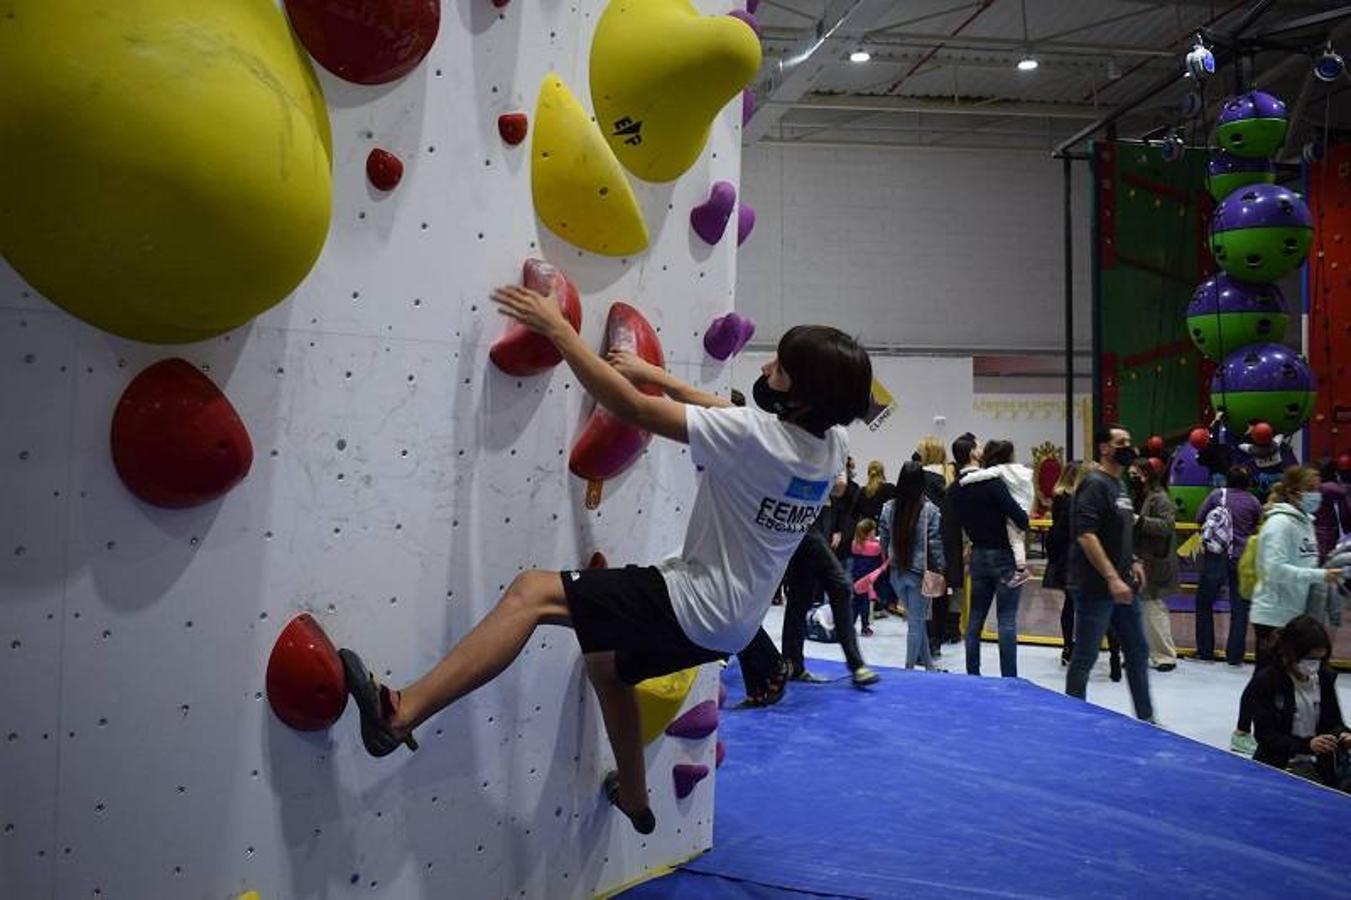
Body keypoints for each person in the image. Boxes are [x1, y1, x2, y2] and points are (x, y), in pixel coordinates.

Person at [337, 283, 875, 836]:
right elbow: (719, 411)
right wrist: (655, 372)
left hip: (695, 603)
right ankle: (636, 797)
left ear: (804, 395)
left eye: (780, 370)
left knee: (531, 593)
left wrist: (559, 330)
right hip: (733, 626)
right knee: (605, 663)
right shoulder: (827, 449)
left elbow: (631, 409)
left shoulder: (754, 437)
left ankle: (398, 713)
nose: (767, 371)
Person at [1232, 466, 1343, 754]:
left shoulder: (1305, 521)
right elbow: (1274, 569)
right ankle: (1243, 730)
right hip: (1273, 614)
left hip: (1294, 612)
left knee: (1275, 676)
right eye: (1312, 488)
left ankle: (1261, 729)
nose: (1317, 494)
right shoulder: (1280, 524)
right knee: (1265, 677)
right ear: (1295, 492)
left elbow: (1303, 563)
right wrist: (1319, 576)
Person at [1064, 424, 1154, 722]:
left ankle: (1146, 718)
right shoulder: (1094, 484)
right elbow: (1087, 535)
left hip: (1124, 585)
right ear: (1104, 448)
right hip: (1095, 588)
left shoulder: (1120, 485)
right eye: (1121, 442)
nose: (1129, 446)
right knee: (1085, 656)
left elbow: (1121, 532)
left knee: (1138, 651)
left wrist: (1134, 560)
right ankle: (1073, 716)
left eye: (1129, 440)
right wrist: (1112, 577)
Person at [780, 475, 881, 687]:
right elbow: (839, 485)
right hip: (802, 521)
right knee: (840, 587)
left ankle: (793, 664)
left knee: (800, 596)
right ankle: (856, 665)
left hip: (813, 520)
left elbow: (839, 490)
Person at [950, 440, 1029, 678]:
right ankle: (1009, 678)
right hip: (1004, 555)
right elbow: (1020, 518)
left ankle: (973, 674)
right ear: (974, 452)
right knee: (1006, 619)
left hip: (978, 554)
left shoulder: (956, 488)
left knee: (974, 618)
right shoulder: (992, 483)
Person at [1249, 615, 1351, 791]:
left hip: (1320, 764)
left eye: (1320, 659)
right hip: (1280, 764)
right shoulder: (1267, 681)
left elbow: (1334, 722)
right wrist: (1307, 745)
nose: (1315, 665)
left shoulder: (1325, 678)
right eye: (1310, 658)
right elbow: (1265, 736)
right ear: (1291, 652)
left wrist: (1343, 735)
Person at [880, 462, 947, 670]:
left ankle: (929, 666)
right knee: (916, 624)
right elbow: (935, 544)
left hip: (896, 572)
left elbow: (883, 539)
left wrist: (887, 560)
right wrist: (943, 568)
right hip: (920, 573)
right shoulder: (930, 510)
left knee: (915, 621)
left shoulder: (888, 508)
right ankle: (908, 669)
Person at [1193, 466, 1263, 665]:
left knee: (1204, 602)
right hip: (1243, 559)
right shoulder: (1253, 501)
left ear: (1227, 480)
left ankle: (1205, 651)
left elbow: (1199, 518)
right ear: (1248, 482)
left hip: (1217, 555)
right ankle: (1235, 656)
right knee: (1240, 608)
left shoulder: (1217, 495)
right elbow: (1258, 523)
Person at [958, 440, 1033, 589]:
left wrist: (964, 480)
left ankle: (1021, 569)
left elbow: (979, 476)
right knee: (1007, 611)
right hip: (1003, 550)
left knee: (977, 609)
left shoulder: (990, 476)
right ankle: (1021, 568)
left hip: (979, 549)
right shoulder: (1015, 474)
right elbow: (1020, 517)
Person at [1130, 460, 1178, 672]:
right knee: (1137, 610)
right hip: (1137, 557)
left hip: (1155, 559)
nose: (1132, 479)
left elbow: (1166, 527)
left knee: (1154, 608)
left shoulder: (1160, 499)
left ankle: (1165, 655)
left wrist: (1139, 521)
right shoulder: (1136, 496)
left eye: (1135, 475)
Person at [1046, 461, 1090, 666]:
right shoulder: (1074, 500)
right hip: (1075, 556)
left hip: (1063, 557)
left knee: (1070, 604)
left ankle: (1068, 646)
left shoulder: (1058, 497)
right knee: (1081, 605)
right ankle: (1079, 647)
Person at [939, 436, 979, 644]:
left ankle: (952, 627)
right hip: (961, 543)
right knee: (957, 586)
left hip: (958, 543)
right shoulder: (961, 486)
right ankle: (952, 628)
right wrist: (967, 543)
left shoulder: (955, 486)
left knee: (955, 586)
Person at [916, 436, 951, 655]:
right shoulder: (948, 479)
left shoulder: (921, 478)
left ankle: (927, 642)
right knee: (940, 593)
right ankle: (937, 638)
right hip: (944, 543)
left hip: (925, 543)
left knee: (925, 595)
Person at [854, 461, 899, 616]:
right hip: (882, 536)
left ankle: (868, 604)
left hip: (865, 537)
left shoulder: (862, 491)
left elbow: (855, 513)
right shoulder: (890, 489)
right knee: (884, 571)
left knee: (867, 574)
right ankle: (886, 602)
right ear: (883, 472)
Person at [849, 519, 884, 637]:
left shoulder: (855, 543)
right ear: (869, 532)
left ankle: (851, 625)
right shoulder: (874, 547)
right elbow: (880, 551)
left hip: (856, 576)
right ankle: (864, 626)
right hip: (867, 578)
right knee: (864, 602)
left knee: (856, 602)